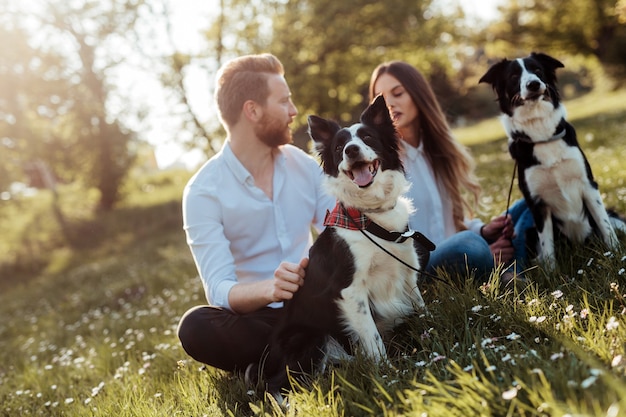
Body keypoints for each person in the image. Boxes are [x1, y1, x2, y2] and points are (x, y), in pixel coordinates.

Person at [177, 53, 335, 373]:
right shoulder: (202, 192)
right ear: (252, 110)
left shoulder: (304, 166)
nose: (293, 112)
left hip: (316, 305)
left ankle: (271, 367)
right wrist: (270, 289)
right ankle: (306, 355)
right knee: (195, 326)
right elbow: (220, 289)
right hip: (260, 319)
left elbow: (339, 229)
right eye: (284, 102)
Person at [369, 61, 521, 282]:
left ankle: (510, 267)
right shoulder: (380, 167)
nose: (389, 103)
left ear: (418, 95)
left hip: (456, 249)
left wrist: (485, 231)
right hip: (416, 270)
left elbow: (450, 222)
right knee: (470, 247)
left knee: (523, 210)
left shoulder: (437, 152)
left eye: (398, 93)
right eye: (380, 98)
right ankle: (500, 271)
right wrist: (479, 248)